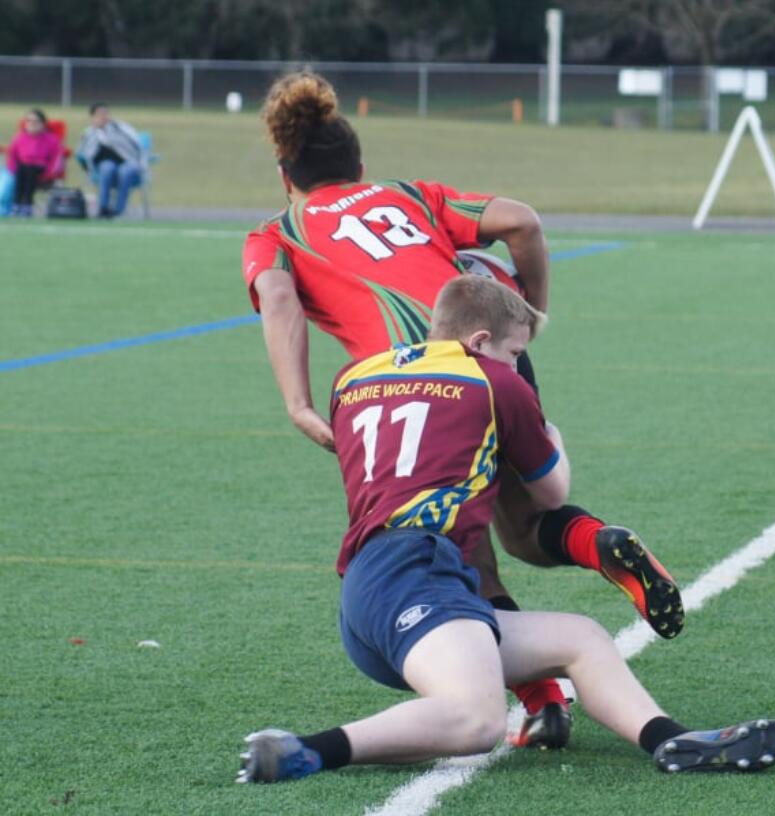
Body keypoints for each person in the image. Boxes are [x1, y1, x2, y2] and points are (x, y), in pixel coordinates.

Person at [240, 72, 683, 748]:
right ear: (359, 165)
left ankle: (542, 704)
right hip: (494, 351)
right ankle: (595, 554)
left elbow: (277, 299)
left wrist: (299, 404)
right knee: (515, 530)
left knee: (457, 547)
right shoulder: (406, 195)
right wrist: (530, 314)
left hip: (409, 380)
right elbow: (522, 221)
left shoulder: (279, 230)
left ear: (285, 174)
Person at [235, 276, 775, 783]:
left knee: (581, 640)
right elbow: (551, 493)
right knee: (476, 720)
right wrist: (549, 433)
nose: (518, 366)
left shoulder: (353, 375)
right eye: (516, 352)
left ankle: (669, 738)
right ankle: (305, 750)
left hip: (377, 587)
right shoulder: (493, 381)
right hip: (416, 570)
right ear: (480, 342)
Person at [77, 103, 144, 218]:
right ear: (92, 117)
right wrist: (97, 132)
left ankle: (118, 210)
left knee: (125, 171)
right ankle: (103, 208)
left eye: (105, 113)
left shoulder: (121, 128)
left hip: (128, 162)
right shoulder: (89, 133)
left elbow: (137, 144)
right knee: (107, 168)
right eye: (99, 114)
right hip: (104, 166)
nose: (103, 117)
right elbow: (83, 153)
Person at [4, 109, 64, 217]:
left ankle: (27, 204)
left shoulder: (52, 139)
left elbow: (56, 159)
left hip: (42, 170)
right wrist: (12, 170)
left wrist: (50, 173)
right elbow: (12, 157)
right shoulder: (19, 137)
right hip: (21, 170)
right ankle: (17, 204)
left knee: (30, 168)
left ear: (43, 124)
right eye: (29, 121)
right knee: (23, 168)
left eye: (36, 121)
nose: (32, 124)